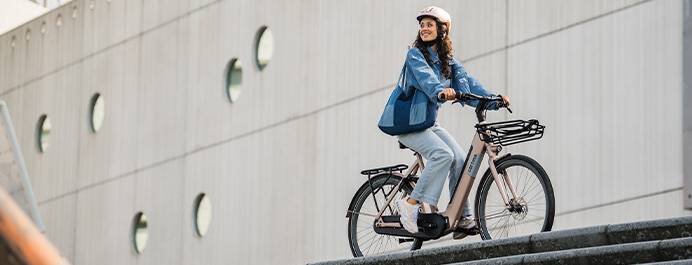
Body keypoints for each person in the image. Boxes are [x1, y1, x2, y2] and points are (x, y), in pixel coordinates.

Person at [390, 6, 510, 239]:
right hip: (407, 123)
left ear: (442, 30)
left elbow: (469, 85)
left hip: (427, 123)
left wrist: (494, 100)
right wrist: (442, 91)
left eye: (429, 24)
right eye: (422, 25)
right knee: (443, 155)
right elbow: (426, 80)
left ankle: (461, 216)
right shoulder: (415, 55)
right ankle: (410, 203)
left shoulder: (449, 62)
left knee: (460, 159)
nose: (424, 28)